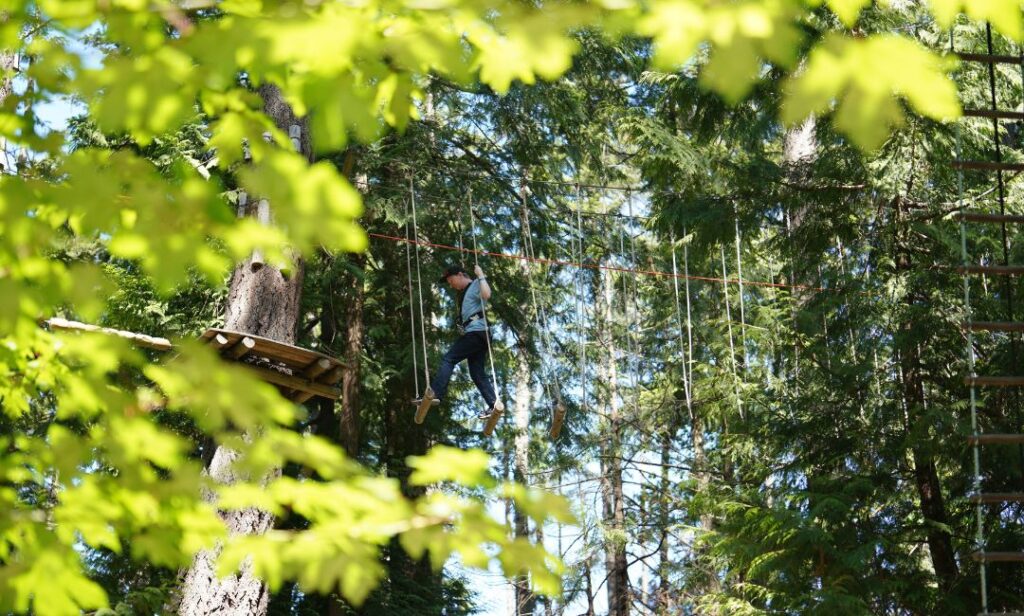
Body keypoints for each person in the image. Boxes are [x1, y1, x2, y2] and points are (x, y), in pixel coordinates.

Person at [414, 263, 504, 423]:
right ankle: (493, 404)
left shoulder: (475, 284)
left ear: (461, 275)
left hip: (477, 333)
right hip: (477, 334)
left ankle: (435, 393)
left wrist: (481, 274)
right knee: (477, 373)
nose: (451, 284)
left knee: (449, 359)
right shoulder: (464, 294)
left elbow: (487, 294)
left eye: (451, 280)